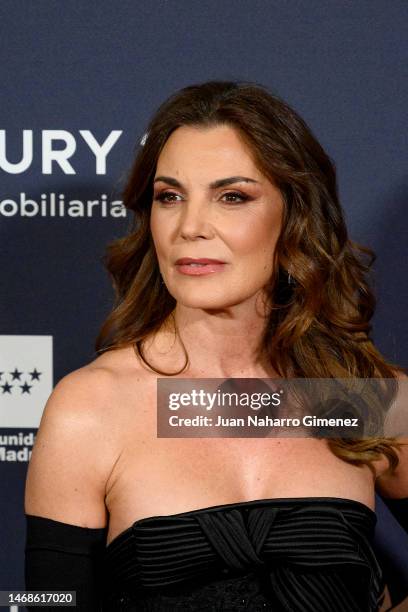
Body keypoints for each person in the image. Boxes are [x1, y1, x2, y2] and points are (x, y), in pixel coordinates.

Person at [24, 80, 408, 611]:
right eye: (170, 196)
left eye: (232, 197)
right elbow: (48, 603)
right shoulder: (90, 409)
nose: (190, 226)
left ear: (294, 215)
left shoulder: (362, 398)